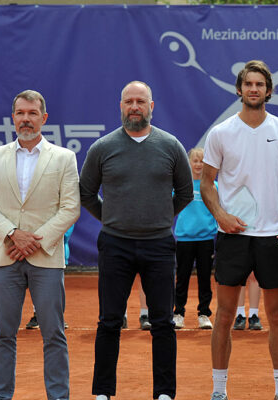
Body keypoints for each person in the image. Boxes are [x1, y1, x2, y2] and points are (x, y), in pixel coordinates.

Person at [80, 81, 193, 400]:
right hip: (115, 244)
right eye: (128, 101)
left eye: (140, 101)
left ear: (151, 106)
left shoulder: (171, 145)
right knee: (109, 320)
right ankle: (102, 393)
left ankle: (164, 393)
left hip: (158, 245)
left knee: (162, 322)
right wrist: (113, 217)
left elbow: (185, 193)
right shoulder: (102, 148)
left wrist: (158, 216)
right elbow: (86, 193)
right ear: (120, 106)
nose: (134, 106)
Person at [201, 60, 278, 400]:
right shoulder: (221, 133)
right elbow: (207, 184)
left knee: (277, 316)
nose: (254, 89)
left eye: (260, 84)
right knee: (225, 315)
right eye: (249, 84)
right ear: (240, 89)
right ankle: (219, 391)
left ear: (269, 90)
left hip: (274, 237)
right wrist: (220, 215)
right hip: (234, 236)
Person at [0, 89, 80, 400]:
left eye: (32, 113)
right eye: (20, 113)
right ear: (13, 118)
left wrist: (36, 240)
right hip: (6, 256)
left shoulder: (64, 158)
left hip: (46, 258)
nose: (26, 119)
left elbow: (70, 207)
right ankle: (1, 395)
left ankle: (58, 396)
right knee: (3, 334)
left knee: (54, 335)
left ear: (43, 118)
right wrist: (12, 234)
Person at [174, 147, 217, 330]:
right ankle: (178, 313)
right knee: (182, 278)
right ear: (189, 163)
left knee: (204, 278)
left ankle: (204, 314)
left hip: (206, 239)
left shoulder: (213, 186)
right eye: (195, 161)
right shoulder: (181, 185)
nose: (199, 165)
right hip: (184, 239)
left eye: (202, 161)